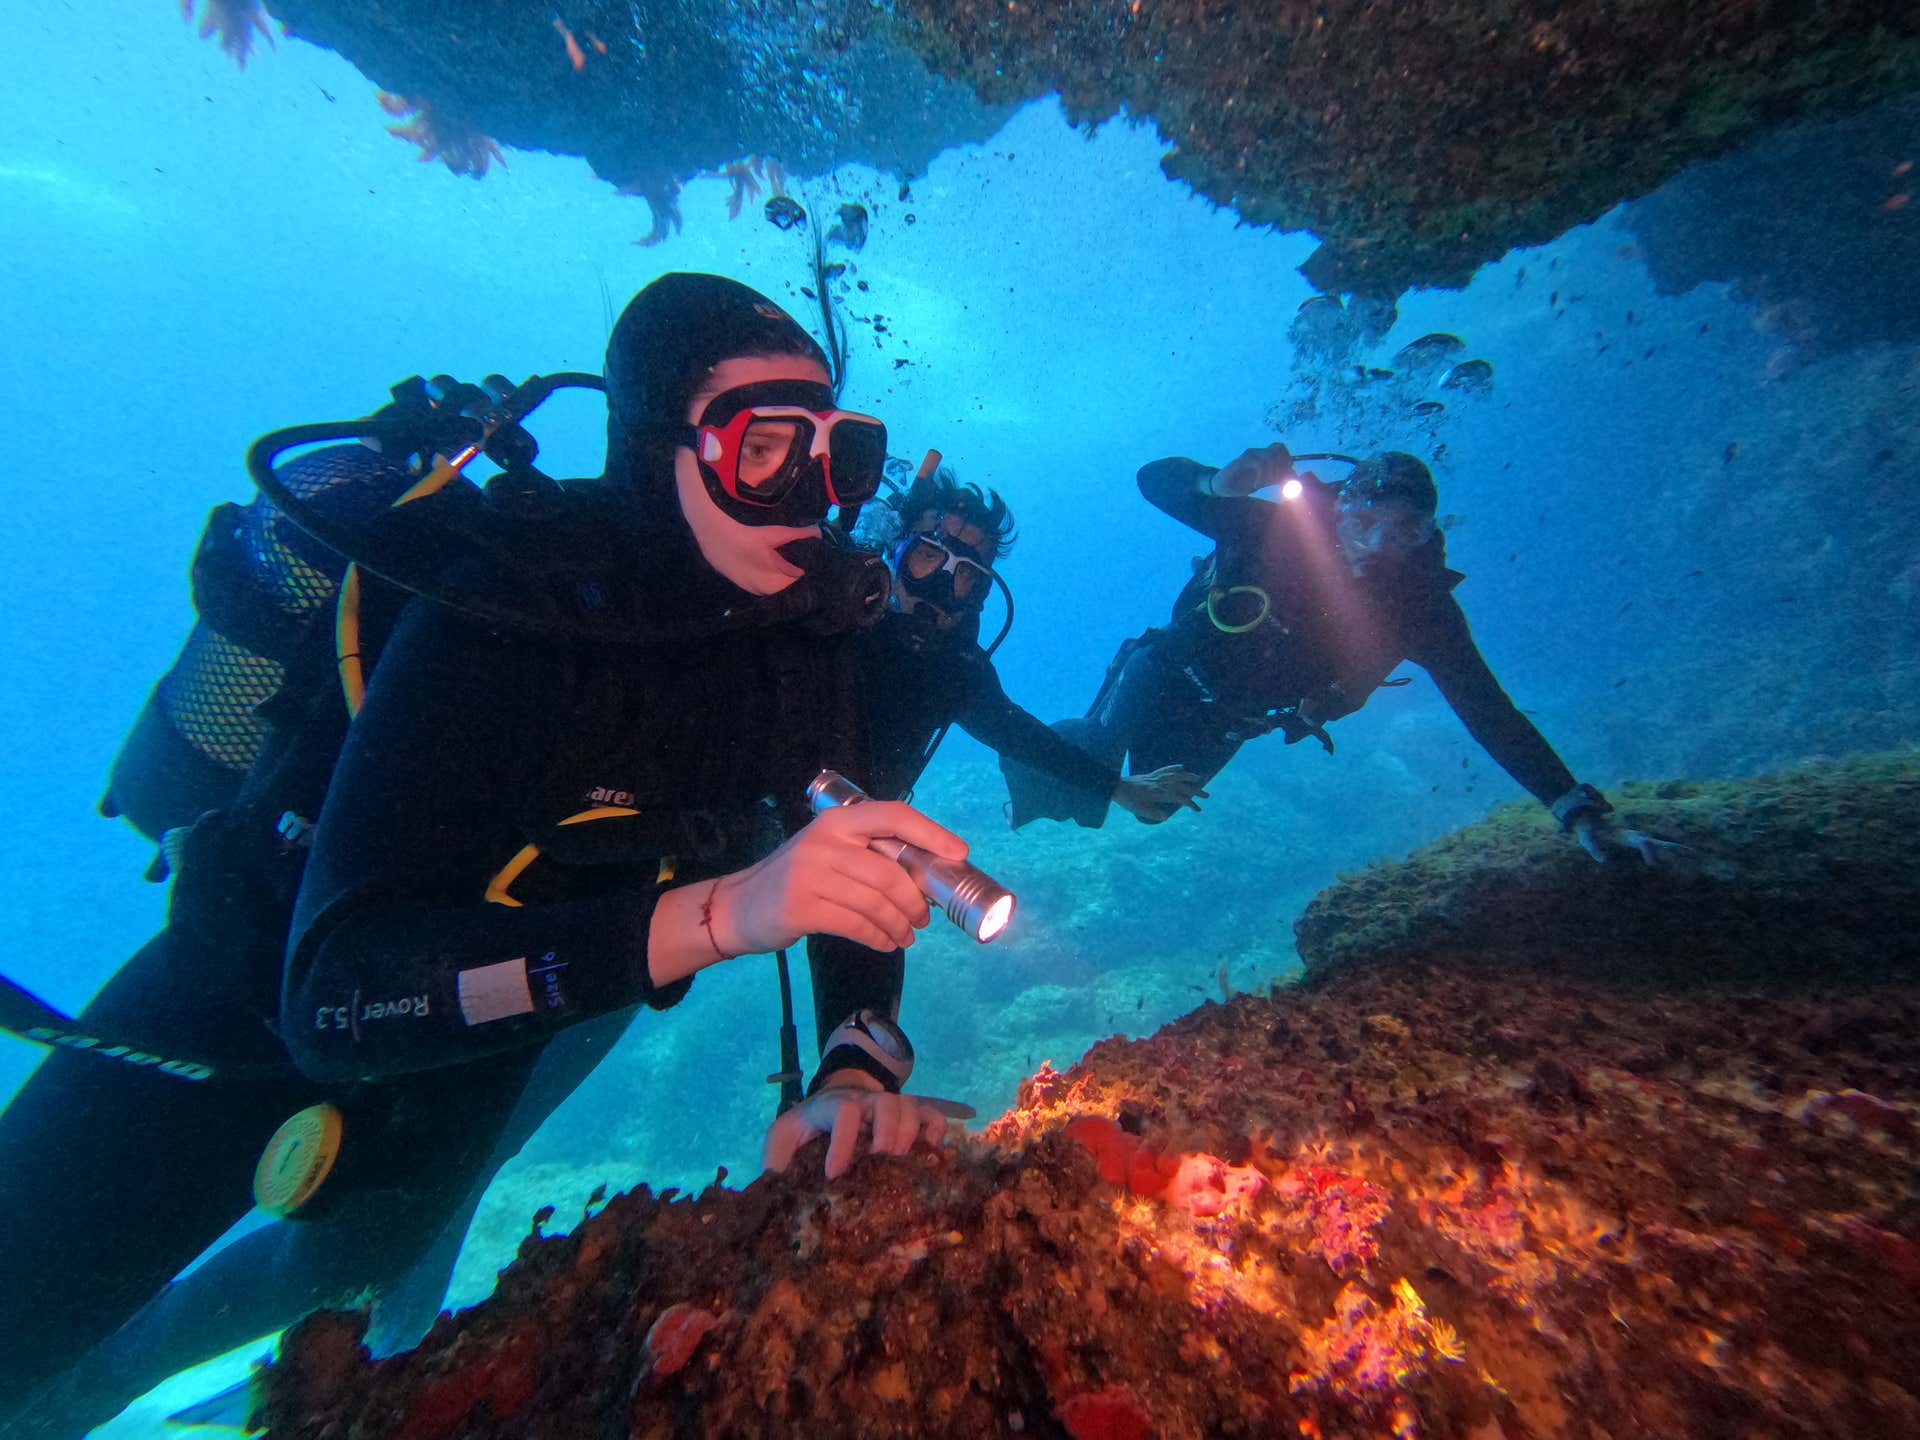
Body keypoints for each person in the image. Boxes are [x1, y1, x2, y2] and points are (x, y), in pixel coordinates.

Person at [0, 273, 966, 1437]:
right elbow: (332, 995)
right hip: (236, 1001)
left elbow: (855, 857)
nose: (815, 498)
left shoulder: (798, 639)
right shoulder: (507, 611)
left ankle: (103, 1395)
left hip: (481, 1040)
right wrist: (725, 913)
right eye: (766, 449)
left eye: (844, 457)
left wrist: (854, 1067)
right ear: (661, 449)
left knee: (352, 1269)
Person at [1003, 442, 1669, 863]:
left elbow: (1489, 710)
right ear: (1340, 510)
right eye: (1366, 522)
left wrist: (1573, 806)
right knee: (1091, 773)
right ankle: (1025, 754)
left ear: (1426, 536)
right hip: (1164, 671)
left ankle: (1075, 773)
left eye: (1403, 531)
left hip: (1235, 718)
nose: (1378, 545)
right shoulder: (1270, 530)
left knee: (1153, 811)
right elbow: (1153, 480)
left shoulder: (1421, 609)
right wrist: (1220, 483)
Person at [802, 465, 1207, 1045]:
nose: (944, 588)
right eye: (926, 559)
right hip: (732, 815)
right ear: (892, 549)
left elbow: (1017, 734)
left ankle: (856, 1070)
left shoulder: (954, 670)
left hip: (856, 834)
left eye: (967, 578)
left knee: (874, 906)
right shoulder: (820, 618)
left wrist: (1114, 787)